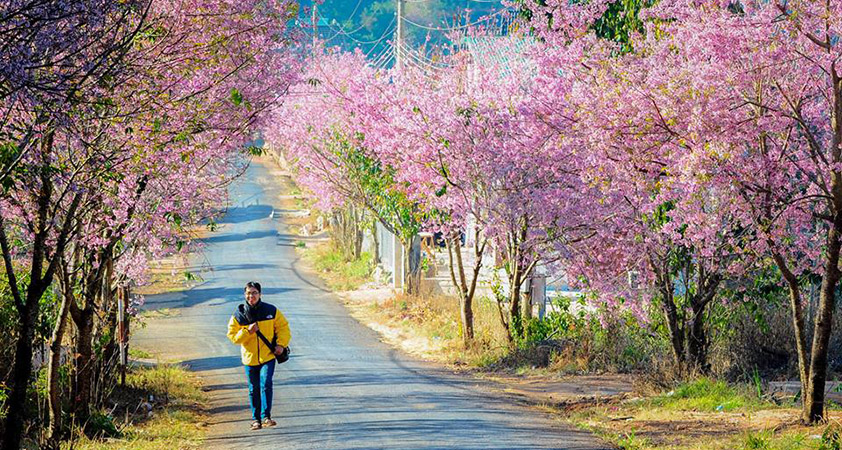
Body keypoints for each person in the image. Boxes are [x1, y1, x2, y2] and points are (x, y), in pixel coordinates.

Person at [227, 281, 291, 430]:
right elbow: (233, 337)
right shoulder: (239, 315)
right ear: (245, 295)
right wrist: (247, 331)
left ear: (260, 294)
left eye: (254, 293)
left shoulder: (271, 311)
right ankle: (255, 420)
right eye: (249, 293)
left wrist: (281, 345)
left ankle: (266, 417)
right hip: (249, 358)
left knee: (266, 383)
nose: (251, 296)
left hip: (268, 355)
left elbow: (283, 328)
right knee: (253, 388)